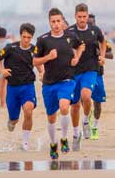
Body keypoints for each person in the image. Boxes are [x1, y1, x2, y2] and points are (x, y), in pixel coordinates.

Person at [33, 8, 84, 159]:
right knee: (51, 117)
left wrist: (77, 58)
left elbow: (80, 45)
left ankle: (63, 139)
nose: (56, 24)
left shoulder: (70, 36)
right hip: (49, 83)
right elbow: (35, 60)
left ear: (63, 21)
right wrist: (48, 57)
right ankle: (54, 143)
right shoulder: (43, 40)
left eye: (58, 21)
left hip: (67, 81)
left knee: (64, 106)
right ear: (49, 23)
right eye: (53, 22)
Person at [0, 23, 43, 151]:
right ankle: (11, 120)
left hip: (28, 86)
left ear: (32, 37)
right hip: (12, 88)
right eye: (24, 37)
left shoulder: (34, 50)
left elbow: (38, 63)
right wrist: (2, 70)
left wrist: (41, 72)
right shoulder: (10, 48)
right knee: (14, 120)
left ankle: (25, 142)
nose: (26, 40)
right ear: (20, 35)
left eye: (29, 37)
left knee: (28, 110)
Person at [68, 3, 106, 149]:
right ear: (75, 16)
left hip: (91, 69)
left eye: (84, 17)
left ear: (88, 16)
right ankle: (76, 134)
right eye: (79, 17)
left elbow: (103, 42)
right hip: (73, 72)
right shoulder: (70, 31)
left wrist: (102, 56)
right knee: (75, 105)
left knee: (86, 96)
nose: (82, 19)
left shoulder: (94, 30)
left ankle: (86, 121)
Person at [88, 13, 113, 140]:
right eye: (88, 22)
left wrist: (100, 53)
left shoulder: (100, 38)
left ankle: (95, 127)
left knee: (97, 103)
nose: (90, 24)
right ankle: (86, 119)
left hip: (98, 73)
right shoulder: (79, 38)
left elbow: (111, 54)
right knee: (84, 99)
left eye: (92, 22)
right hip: (84, 73)